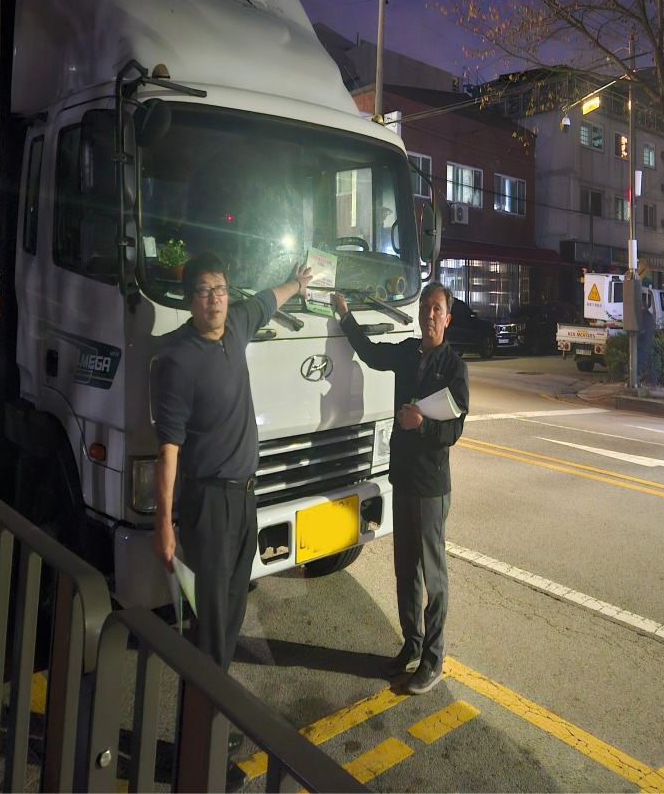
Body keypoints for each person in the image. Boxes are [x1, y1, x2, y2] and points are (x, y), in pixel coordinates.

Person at [151, 250, 313, 670]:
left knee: (234, 608)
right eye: (204, 291)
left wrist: (297, 284)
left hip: (245, 498)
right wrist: (164, 524)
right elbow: (168, 451)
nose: (215, 299)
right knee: (211, 621)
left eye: (220, 289)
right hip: (209, 503)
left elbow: (267, 300)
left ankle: (214, 696)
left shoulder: (237, 325)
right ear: (190, 299)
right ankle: (203, 704)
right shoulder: (177, 359)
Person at [329, 282, 468, 694]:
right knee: (405, 569)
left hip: (430, 485)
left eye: (437, 309)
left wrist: (422, 426)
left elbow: (455, 430)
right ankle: (412, 644)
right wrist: (345, 316)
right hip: (403, 477)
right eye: (425, 307)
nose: (429, 315)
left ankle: (433, 659)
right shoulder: (408, 352)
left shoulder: (454, 367)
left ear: (447, 319)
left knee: (433, 577)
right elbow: (372, 354)